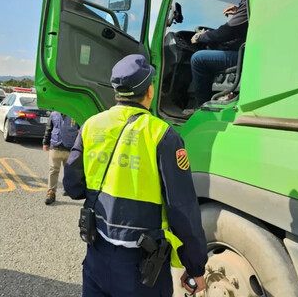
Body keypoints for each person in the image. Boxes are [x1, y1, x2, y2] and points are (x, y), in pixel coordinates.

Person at [63, 54, 207, 296]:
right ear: (149, 91)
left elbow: (73, 188)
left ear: (116, 91)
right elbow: (182, 208)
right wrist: (195, 266)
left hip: (97, 254)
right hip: (142, 268)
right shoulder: (162, 134)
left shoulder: (91, 125)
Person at [189, 0, 251, 107]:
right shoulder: (249, 1)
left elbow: (226, 32)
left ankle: (201, 107)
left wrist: (200, 37)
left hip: (248, 55)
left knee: (198, 59)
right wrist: (238, 11)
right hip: (248, 51)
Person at [42, 112, 79, 205]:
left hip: (70, 148)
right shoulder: (54, 114)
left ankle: (67, 188)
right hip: (55, 146)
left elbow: (81, 130)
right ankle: (51, 193)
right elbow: (49, 128)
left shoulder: (75, 114)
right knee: (53, 170)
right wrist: (45, 142)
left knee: (70, 170)